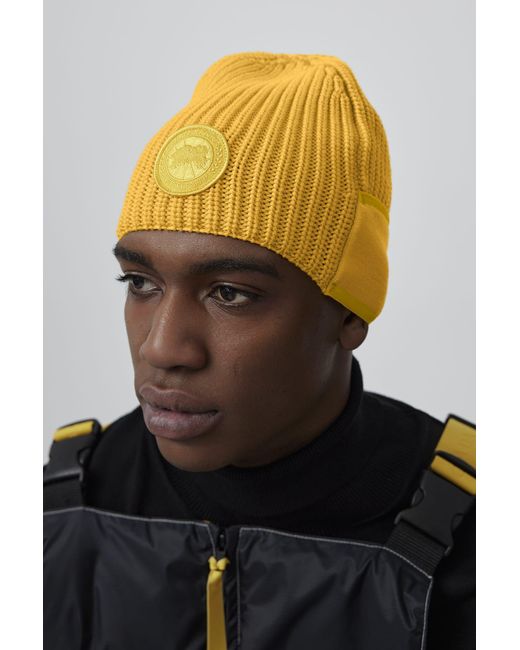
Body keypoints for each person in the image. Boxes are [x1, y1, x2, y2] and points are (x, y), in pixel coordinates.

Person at [43, 51, 475, 649]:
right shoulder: (65, 510)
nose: (162, 347)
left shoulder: (479, 537)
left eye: (229, 293)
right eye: (141, 282)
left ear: (350, 313)